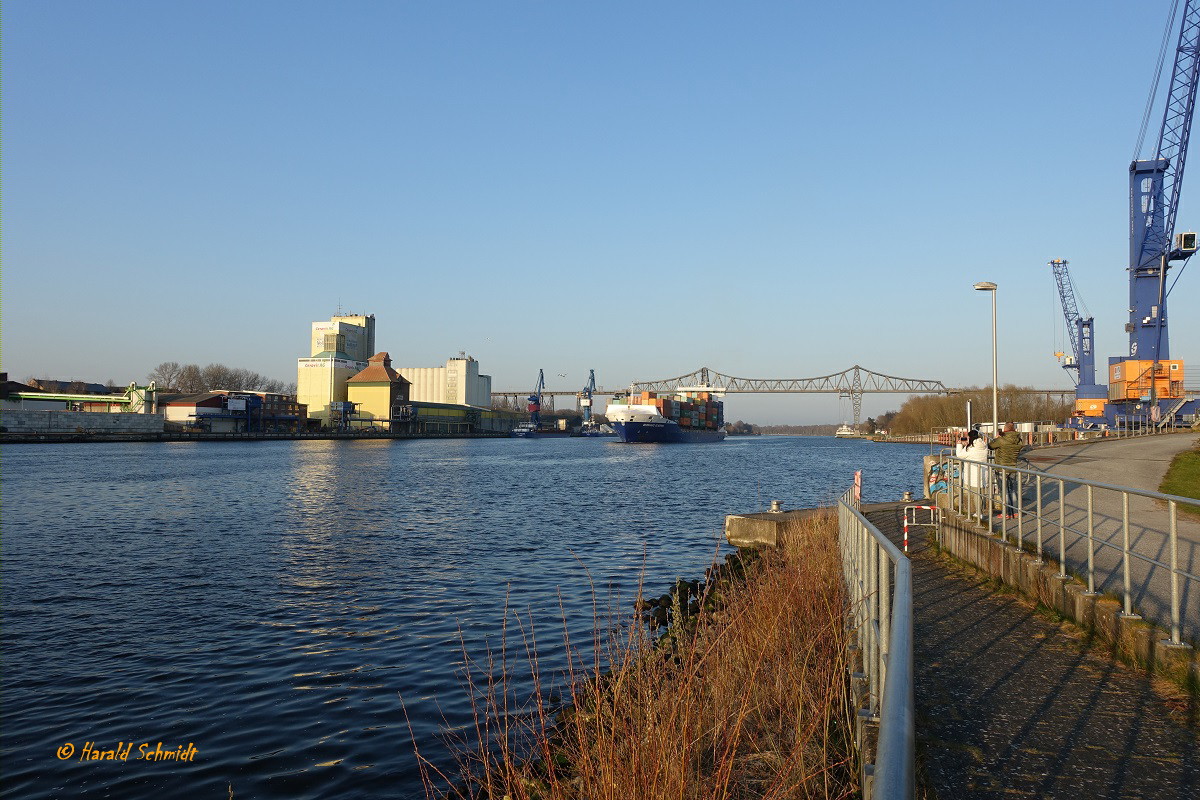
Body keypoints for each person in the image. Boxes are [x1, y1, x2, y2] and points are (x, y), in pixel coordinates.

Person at [988, 422, 1024, 518]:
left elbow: (990, 446)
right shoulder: (1018, 440)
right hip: (1013, 467)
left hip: (1001, 467)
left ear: (1005, 429)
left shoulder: (1001, 440)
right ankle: (1015, 512)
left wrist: (996, 438)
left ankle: (1006, 513)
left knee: (1003, 491)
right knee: (1012, 490)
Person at [961, 429, 989, 520]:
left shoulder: (970, 448)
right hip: (983, 472)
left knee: (975, 494)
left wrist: (959, 445)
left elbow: (960, 455)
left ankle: (979, 513)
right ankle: (980, 511)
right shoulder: (984, 445)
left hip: (973, 473)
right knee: (980, 493)